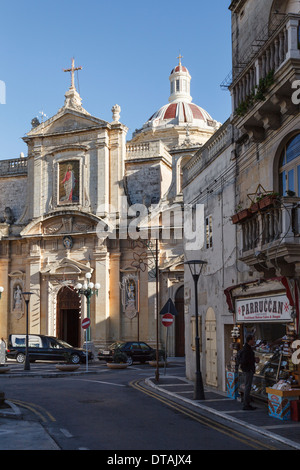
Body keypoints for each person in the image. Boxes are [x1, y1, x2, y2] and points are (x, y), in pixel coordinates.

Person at [240, 334, 259, 410]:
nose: (254, 341)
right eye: (253, 339)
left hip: (247, 369)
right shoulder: (247, 349)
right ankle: (246, 404)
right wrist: (254, 360)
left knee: (247, 386)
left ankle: (246, 402)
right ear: (249, 340)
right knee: (248, 387)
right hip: (248, 370)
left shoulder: (247, 348)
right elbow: (245, 360)